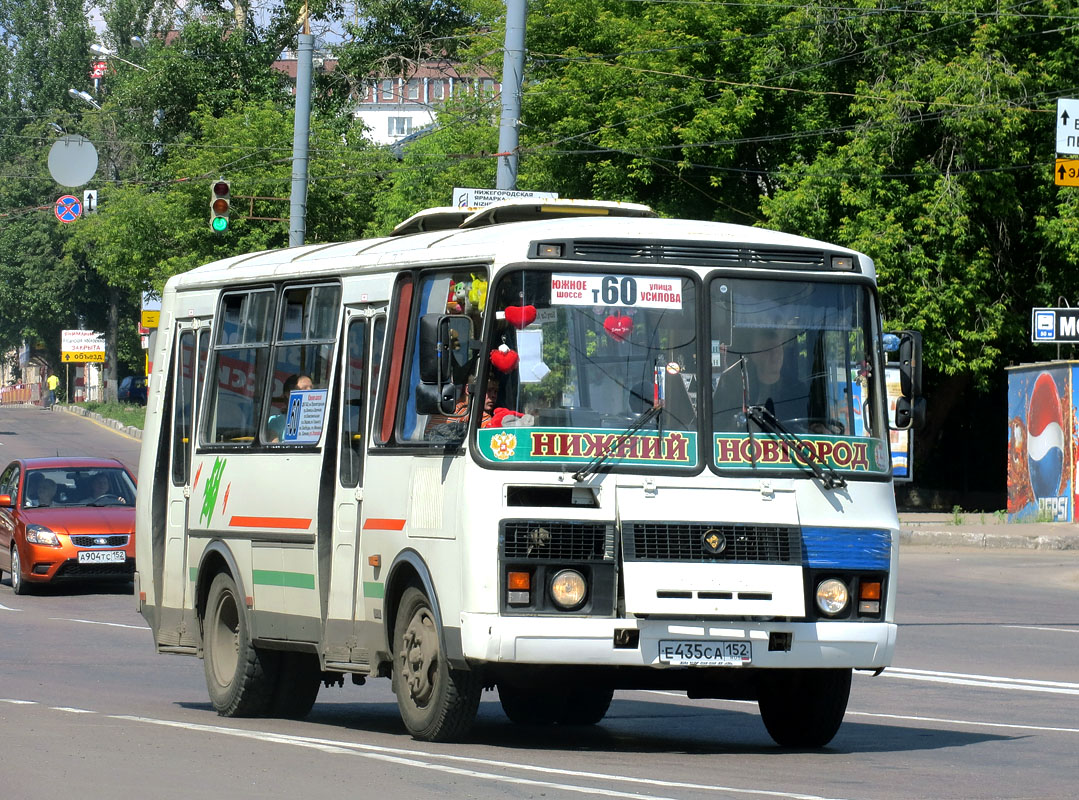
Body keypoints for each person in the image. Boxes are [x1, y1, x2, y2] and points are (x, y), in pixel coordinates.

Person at [713, 327, 808, 430]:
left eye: (779, 349)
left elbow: (812, 426)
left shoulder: (798, 391)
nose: (776, 355)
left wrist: (817, 427)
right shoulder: (734, 390)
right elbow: (718, 427)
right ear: (755, 356)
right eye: (768, 350)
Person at [266, 374, 313, 442]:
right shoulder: (276, 421)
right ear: (288, 394)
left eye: (311, 388)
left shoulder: (318, 420)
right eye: (304, 389)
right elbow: (273, 447)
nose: (310, 392)